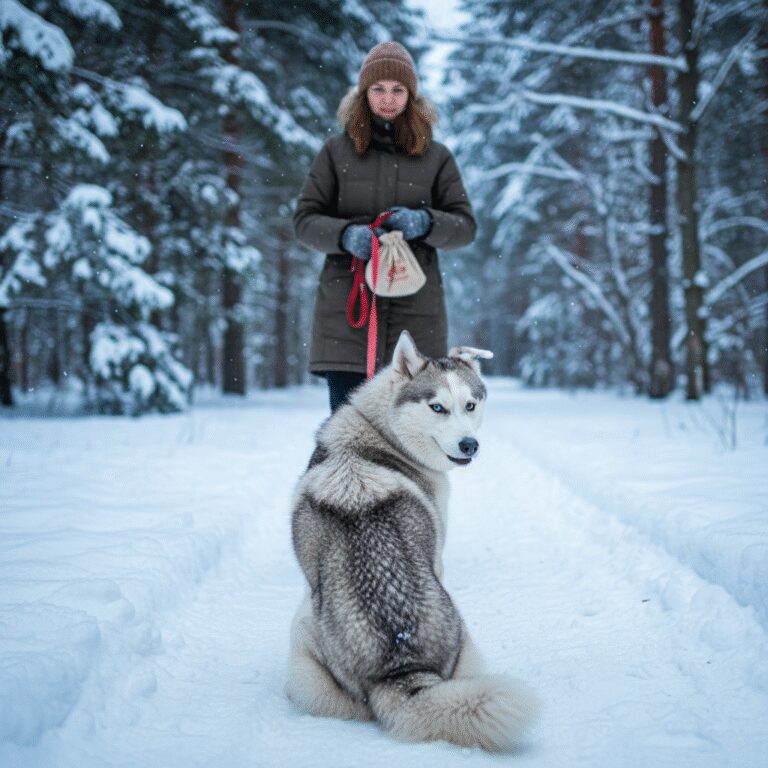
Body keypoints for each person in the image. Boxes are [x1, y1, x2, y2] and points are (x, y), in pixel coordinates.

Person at [293, 41, 476, 412]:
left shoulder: (437, 157)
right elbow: (304, 221)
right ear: (364, 93)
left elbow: (465, 227)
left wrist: (425, 222)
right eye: (378, 89)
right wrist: (346, 236)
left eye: (398, 89)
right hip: (348, 312)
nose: (388, 99)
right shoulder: (335, 152)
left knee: (414, 437)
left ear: (411, 95)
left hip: (417, 317)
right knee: (348, 434)